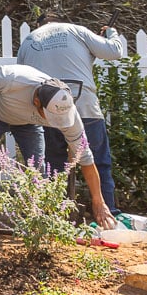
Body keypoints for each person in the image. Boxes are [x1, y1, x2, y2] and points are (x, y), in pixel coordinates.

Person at [0, 63, 118, 230]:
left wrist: (98, 201)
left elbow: (85, 158)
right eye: (51, 116)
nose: (56, 122)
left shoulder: (67, 113)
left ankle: (35, 218)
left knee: (37, 170)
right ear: (36, 101)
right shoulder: (11, 78)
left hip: (28, 122)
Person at [17, 11, 126, 214]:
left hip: (49, 112)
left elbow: (23, 77)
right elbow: (114, 51)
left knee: (53, 166)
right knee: (98, 160)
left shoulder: (29, 40)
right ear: (60, 21)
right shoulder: (77, 31)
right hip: (85, 107)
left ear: (39, 25)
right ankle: (107, 213)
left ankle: (55, 216)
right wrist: (111, 33)